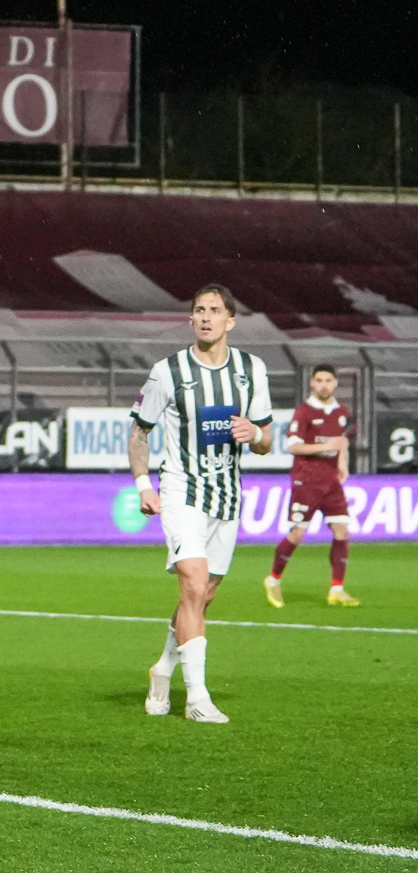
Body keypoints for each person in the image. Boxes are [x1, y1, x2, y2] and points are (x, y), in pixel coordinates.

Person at [130, 284, 273, 725]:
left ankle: (162, 669)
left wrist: (256, 434)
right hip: (181, 491)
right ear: (190, 319)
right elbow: (139, 431)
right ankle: (197, 698)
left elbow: (267, 440)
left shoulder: (251, 369)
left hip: (227, 495)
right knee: (192, 585)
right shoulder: (167, 371)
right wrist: (143, 485)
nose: (206, 317)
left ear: (231, 321)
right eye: (199, 310)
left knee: (204, 596)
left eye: (215, 310)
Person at [265, 363, 358, 607]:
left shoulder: (342, 412)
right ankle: (273, 579)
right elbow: (294, 446)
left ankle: (337, 588)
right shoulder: (304, 411)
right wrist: (327, 446)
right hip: (306, 480)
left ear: (335, 383)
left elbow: (341, 442)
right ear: (312, 384)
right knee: (297, 533)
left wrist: (342, 462)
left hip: (331, 481)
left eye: (328, 380)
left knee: (342, 531)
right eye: (319, 380)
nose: (324, 385)